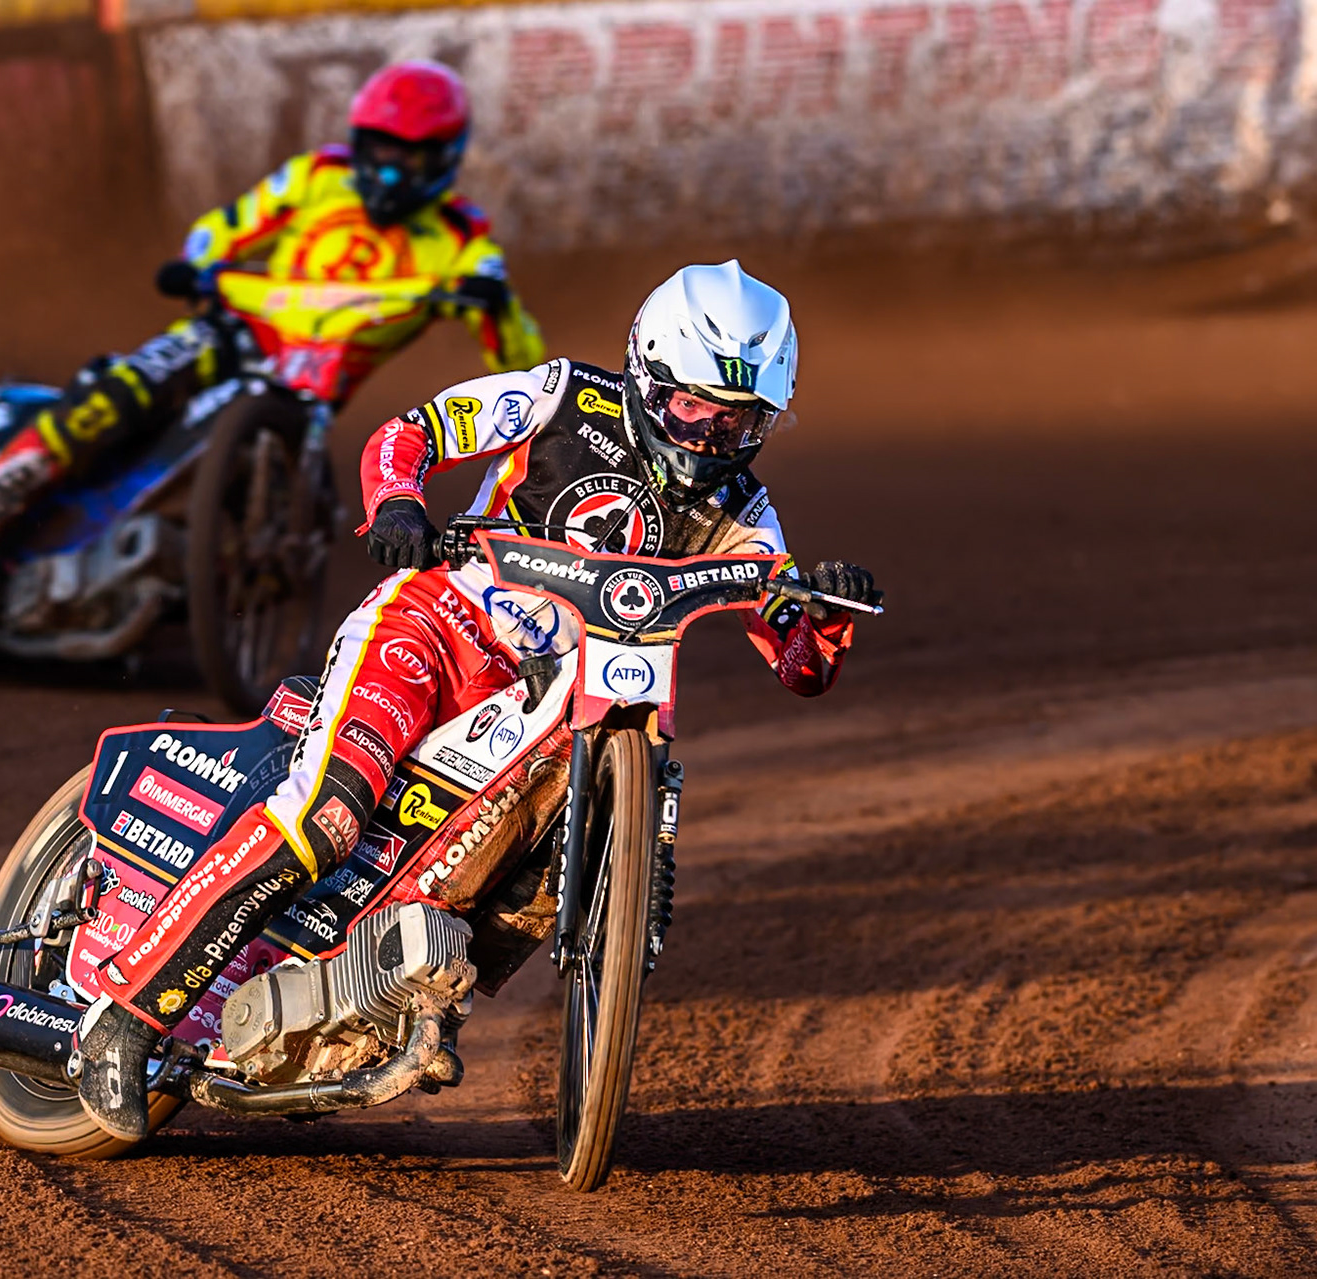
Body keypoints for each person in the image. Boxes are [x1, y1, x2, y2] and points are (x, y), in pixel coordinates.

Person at [75, 259, 883, 1140]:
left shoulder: (745, 511)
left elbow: (798, 665)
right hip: (433, 627)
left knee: (528, 881)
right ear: (648, 374)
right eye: (695, 405)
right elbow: (410, 432)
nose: (711, 436)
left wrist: (822, 613)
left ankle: (379, 1001)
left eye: (740, 420)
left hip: (544, 706)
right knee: (328, 820)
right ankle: (125, 1014)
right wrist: (396, 506)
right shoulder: (562, 396)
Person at [0, 60, 547, 646]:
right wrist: (195, 266)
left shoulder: (465, 238)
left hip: (313, 390)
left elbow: (519, 360)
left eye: (410, 157)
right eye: (378, 150)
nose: (388, 171)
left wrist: (495, 306)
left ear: (445, 157)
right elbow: (222, 229)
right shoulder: (319, 178)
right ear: (357, 141)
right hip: (235, 333)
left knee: (312, 500)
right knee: (111, 401)